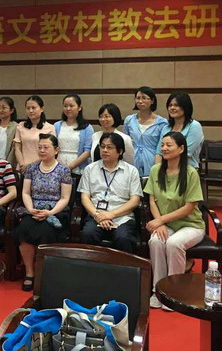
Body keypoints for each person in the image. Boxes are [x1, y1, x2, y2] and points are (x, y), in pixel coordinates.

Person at [146, 132, 205, 310]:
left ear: (181, 149)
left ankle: (174, 293)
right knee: (156, 241)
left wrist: (160, 220)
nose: (164, 148)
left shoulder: (190, 173)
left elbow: (189, 207)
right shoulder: (156, 170)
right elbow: (152, 200)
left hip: (191, 225)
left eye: (169, 145)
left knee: (174, 243)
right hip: (166, 224)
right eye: (162, 145)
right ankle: (158, 291)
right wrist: (161, 223)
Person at [15, 134, 72, 291]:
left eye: (46, 147)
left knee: (46, 231)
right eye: (39, 147)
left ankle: (44, 273)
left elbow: (65, 198)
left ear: (56, 150)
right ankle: (29, 272)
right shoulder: (32, 168)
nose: (42, 150)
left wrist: (50, 212)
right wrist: (30, 208)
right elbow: (26, 192)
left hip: (56, 211)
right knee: (24, 228)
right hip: (33, 209)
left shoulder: (63, 170)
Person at [79, 132, 142, 254]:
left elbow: (135, 201)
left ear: (120, 151)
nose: (105, 150)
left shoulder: (131, 171)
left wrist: (111, 214)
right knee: (88, 234)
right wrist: (98, 215)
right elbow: (85, 198)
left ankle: (123, 267)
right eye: (102, 146)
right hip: (96, 215)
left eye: (109, 147)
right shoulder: (90, 169)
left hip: (122, 217)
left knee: (123, 237)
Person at [123, 87, 168, 177]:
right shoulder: (129, 120)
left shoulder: (162, 123)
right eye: (138, 98)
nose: (140, 101)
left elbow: (161, 148)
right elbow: (125, 143)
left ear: (152, 101)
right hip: (132, 163)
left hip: (153, 162)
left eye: (144, 98)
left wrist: (157, 168)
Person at [155, 92, 204, 170]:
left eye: (176, 105)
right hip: (166, 171)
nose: (172, 108)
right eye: (170, 105)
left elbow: (186, 153)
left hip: (187, 171)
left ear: (186, 107)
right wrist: (157, 170)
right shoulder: (166, 128)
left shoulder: (194, 126)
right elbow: (159, 153)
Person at [14, 95, 55, 172]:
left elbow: (49, 151)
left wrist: (30, 165)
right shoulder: (20, 126)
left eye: (33, 108)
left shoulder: (49, 128)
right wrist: (22, 164)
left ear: (42, 109)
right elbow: (17, 148)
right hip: (22, 168)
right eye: (28, 108)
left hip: (41, 168)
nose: (30, 111)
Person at [54, 94, 93, 175]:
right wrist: (60, 167)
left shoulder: (87, 127)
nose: (68, 109)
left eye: (71, 106)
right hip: (58, 167)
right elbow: (52, 147)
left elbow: (87, 151)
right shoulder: (57, 126)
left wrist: (69, 167)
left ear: (79, 108)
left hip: (78, 169)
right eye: (65, 106)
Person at [0, 96, 18, 168]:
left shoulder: (17, 127)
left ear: (11, 110)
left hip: (9, 165)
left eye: (4, 108)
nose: (0, 110)